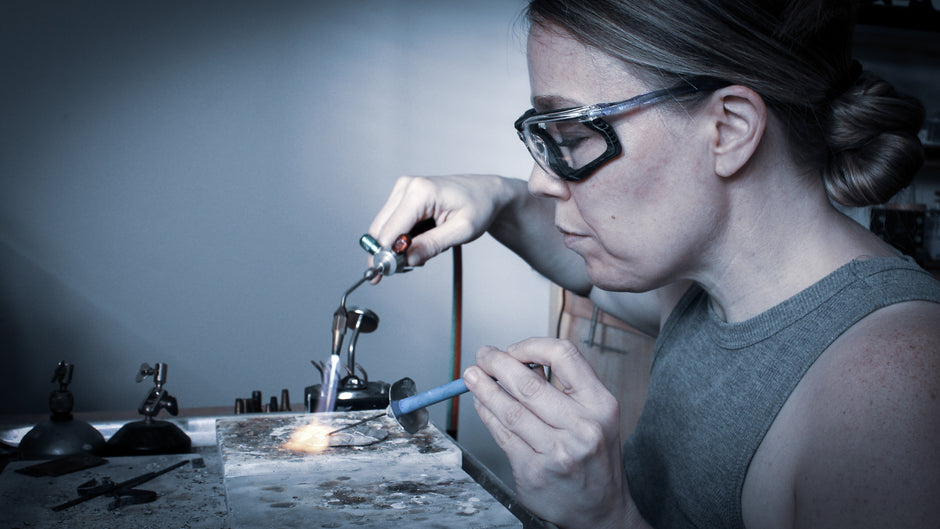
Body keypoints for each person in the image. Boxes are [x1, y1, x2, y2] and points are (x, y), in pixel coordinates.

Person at [367, 1, 940, 527]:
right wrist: (493, 196)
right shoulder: (703, 296)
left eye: (571, 132)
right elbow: (580, 267)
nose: (543, 181)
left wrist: (606, 516)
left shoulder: (894, 390)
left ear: (728, 128)